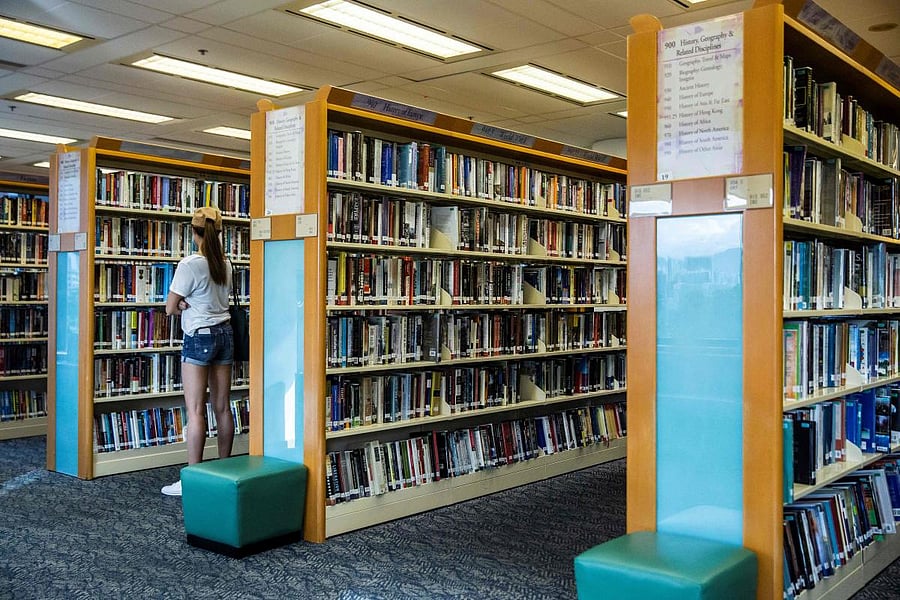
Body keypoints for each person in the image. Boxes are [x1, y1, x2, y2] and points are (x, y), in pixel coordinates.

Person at [161, 206, 235, 496]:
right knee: (222, 406)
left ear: (194, 233)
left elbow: (169, 307)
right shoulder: (226, 264)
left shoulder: (190, 264)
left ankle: (192, 480)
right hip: (225, 334)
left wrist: (182, 305)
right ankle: (227, 472)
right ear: (220, 232)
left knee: (195, 410)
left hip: (199, 336)